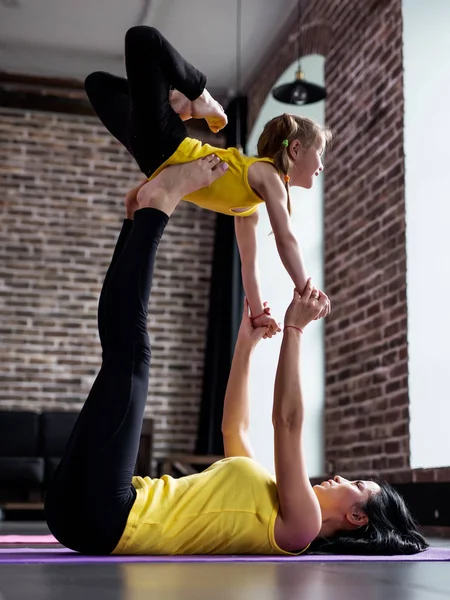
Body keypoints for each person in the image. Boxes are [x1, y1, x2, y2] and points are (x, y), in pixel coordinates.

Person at [45, 162, 427, 556]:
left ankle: (153, 213)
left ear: (358, 518)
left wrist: (295, 330)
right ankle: (137, 217)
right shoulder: (271, 498)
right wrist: (246, 345)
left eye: (358, 486)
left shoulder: (301, 527)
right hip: (84, 512)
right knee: (123, 356)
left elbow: (287, 423)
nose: (343, 477)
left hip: (110, 517)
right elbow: (234, 429)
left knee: (131, 359)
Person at [84, 26, 332, 335]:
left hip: (149, 155)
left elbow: (249, 265)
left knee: (96, 84)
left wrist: (257, 313)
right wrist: (305, 288)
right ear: (296, 149)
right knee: (143, 39)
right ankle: (198, 95)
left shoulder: (246, 209)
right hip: (167, 145)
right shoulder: (267, 174)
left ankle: (174, 104)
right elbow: (285, 238)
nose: (322, 164)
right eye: (320, 153)